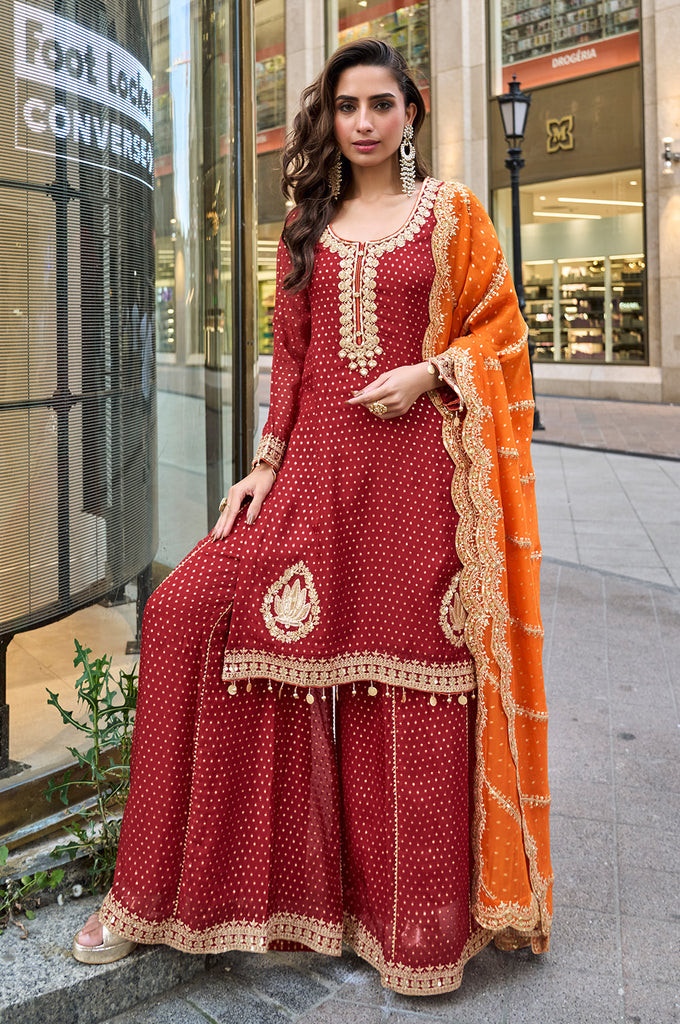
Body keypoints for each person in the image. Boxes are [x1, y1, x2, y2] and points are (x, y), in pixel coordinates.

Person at [73, 38, 552, 995]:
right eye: (347, 107)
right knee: (184, 618)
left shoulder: (453, 214)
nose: (365, 122)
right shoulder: (309, 221)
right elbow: (289, 362)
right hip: (314, 483)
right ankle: (166, 897)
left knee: (408, 693)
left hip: (422, 488)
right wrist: (261, 466)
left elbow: (502, 334)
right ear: (329, 117)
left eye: (382, 104)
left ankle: (409, 932)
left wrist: (430, 369)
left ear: (411, 111)